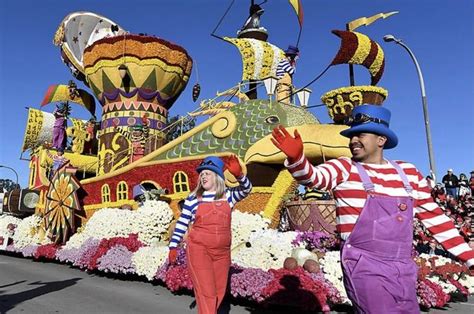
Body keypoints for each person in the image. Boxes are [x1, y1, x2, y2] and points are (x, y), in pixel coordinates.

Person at [271, 104, 474, 313]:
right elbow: (314, 178)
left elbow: (436, 220)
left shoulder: (409, 173)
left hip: (403, 266)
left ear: (381, 140)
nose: (353, 141)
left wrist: (469, 259)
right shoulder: (344, 167)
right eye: (351, 136)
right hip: (363, 264)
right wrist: (297, 159)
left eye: (360, 135)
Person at [168, 155, 252, 314]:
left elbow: (247, 189)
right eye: (202, 173)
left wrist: (240, 176)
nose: (203, 176)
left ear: (218, 177)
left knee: (219, 292)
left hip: (222, 253)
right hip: (199, 250)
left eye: (208, 173)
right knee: (207, 292)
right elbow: (182, 223)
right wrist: (173, 246)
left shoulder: (229, 196)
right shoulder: (193, 199)